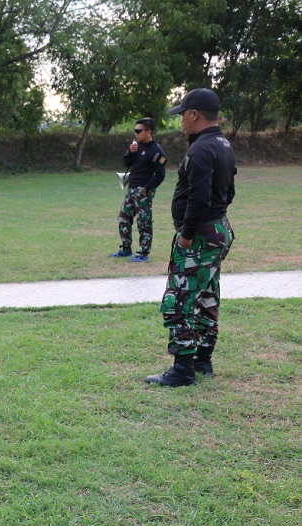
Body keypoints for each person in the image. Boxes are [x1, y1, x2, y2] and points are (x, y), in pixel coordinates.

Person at [146, 88, 236, 387]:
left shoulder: (200, 149)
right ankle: (203, 360)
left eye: (183, 114)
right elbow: (228, 191)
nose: (181, 120)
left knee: (177, 300)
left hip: (198, 235)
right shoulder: (223, 144)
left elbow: (199, 197)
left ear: (195, 114)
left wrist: (186, 234)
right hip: (218, 229)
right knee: (207, 295)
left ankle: (183, 369)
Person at [110, 118, 167, 263]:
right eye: (135, 131)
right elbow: (125, 163)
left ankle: (143, 253)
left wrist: (146, 189)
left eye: (138, 131)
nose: (136, 134)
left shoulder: (157, 151)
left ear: (148, 132)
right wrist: (130, 152)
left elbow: (161, 175)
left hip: (143, 191)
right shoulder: (137, 146)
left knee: (144, 222)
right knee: (123, 218)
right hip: (131, 189)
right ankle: (125, 249)